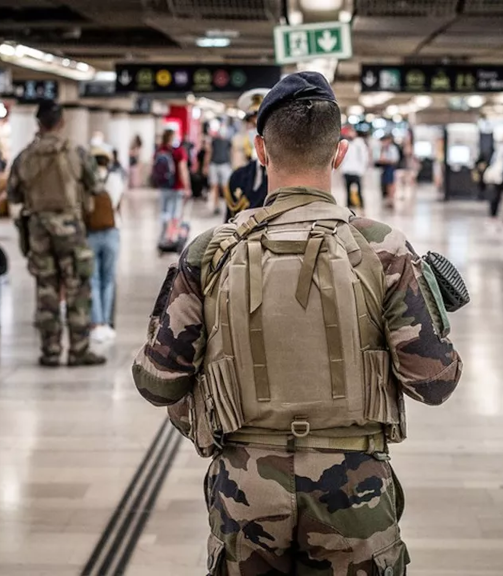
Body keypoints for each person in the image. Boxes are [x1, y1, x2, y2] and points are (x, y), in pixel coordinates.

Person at [132, 72, 462, 575]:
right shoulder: (384, 249)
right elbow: (434, 383)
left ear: (261, 150)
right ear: (340, 153)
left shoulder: (208, 252)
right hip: (355, 492)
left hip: (245, 492)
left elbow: (157, 381)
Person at [7, 100, 105, 367]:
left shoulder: (24, 157)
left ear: (38, 123)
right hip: (71, 230)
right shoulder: (77, 152)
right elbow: (96, 186)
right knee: (77, 289)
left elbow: (13, 195)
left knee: (46, 291)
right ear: (61, 122)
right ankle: (79, 350)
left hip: (38, 231)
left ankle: (50, 351)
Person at [87, 144, 125, 343]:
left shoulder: (87, 181)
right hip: (112, 231)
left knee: (92, 278)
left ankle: (97, 323)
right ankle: (108, 324)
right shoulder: (116, 179)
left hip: (91, 232)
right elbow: (117, 204)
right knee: (108, 278)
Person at [224, 88, 269, 220]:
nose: (255, 131)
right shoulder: (238, 176)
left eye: (260, 125)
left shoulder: (288, 175)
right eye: (252, 124)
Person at [155, 129, 190, 239]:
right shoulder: (179, 151)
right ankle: (172, 235)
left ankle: (164, 233)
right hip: (177, 186)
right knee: (175, 211)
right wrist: (187, 186)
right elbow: (182, 169)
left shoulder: (160, 150)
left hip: (164, 185)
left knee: (164, 211)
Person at [340, 126, 369, 211]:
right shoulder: (345, 143)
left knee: (359, 190)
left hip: (357, 171)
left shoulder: (360, 144)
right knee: (347, 190)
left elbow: (364, 157)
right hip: (347, 170)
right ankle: (348, 207)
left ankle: (361, 207)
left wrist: (362, 169)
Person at [205, 126, 232, 215]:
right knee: (216, 186)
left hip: (222, 164)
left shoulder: (225, 142)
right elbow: (210, 152)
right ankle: (218, 205)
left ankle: (226, 205)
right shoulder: (216, 141)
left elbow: (210, 152)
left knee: (223, 187)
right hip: (217, 164)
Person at [376, 133, 400, 207]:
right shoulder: (381, 148)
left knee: (390, 184)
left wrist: (386, 161)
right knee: (383, 184)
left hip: (390, 168)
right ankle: (385, 198)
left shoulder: (393, 148)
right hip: (383, 168)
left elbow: (395, 160)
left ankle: (391, 199)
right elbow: (378, 159)